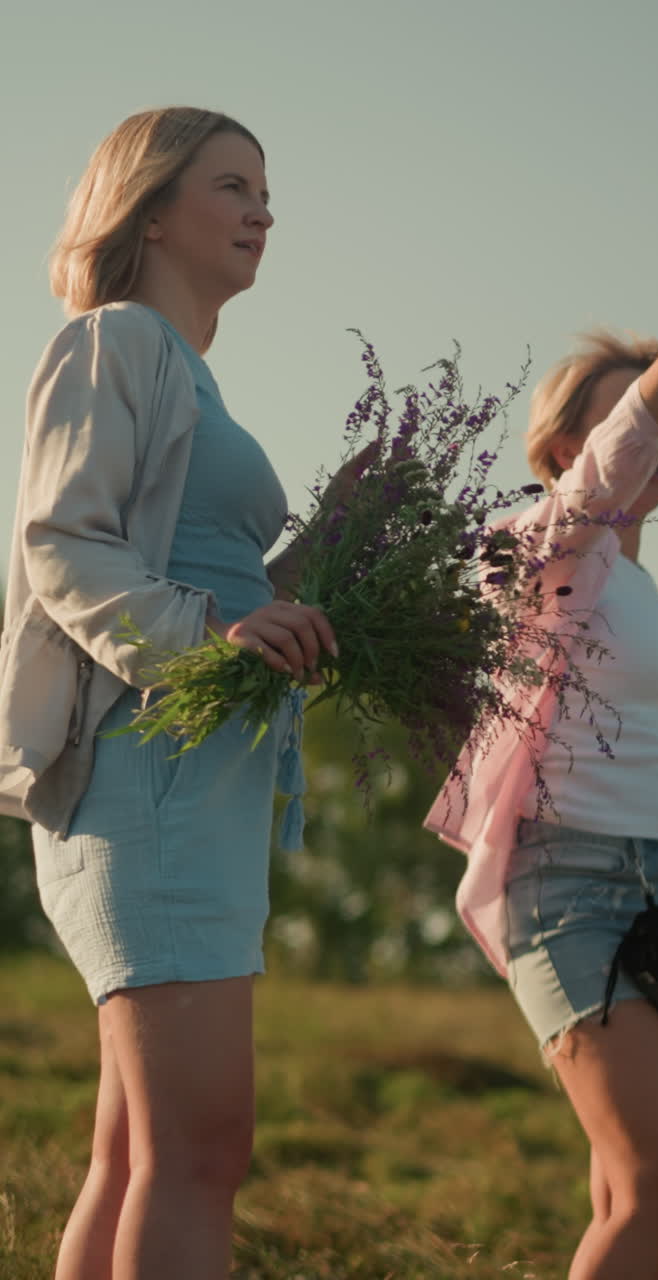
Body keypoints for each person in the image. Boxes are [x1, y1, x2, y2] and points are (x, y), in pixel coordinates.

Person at [0, 107, 364, 1280]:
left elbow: (237, 597)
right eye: (231, 186)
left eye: (265, 189)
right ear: (150, 210)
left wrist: (343, 535)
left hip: (199, 781)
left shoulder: (188, 374)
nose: (264, 211)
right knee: (199, 1146)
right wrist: (213, 627)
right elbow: (63, 542)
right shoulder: (112, 340)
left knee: (139, 1156)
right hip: (147, 773)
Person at [425, 281, 658, 1279]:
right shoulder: (531, 552)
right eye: (638, 414)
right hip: (577, 884)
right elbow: (618, 464)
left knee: (647, 1203)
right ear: (563, 450)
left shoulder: (646, 595)